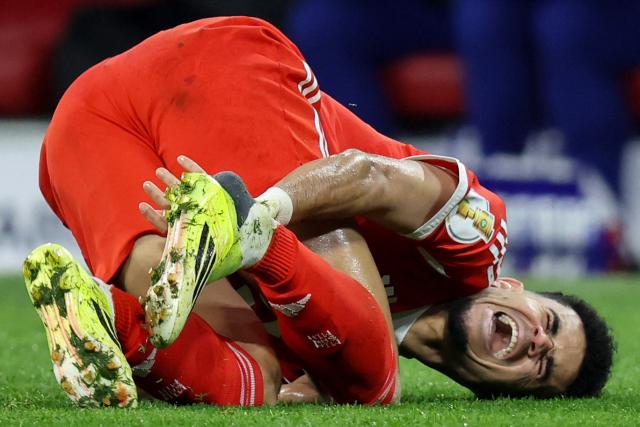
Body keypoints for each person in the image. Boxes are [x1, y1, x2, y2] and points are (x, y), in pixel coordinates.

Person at [33, 16, 613, 407]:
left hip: (80, 131)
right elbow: (368, 176)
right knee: (370, 383)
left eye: (542, 367)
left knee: (253, 376)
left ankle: (109, 319)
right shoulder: (476, 243)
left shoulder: (315, 355)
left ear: (500, 395)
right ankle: (246, 235)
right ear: (514, 287)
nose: (537, 341)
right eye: (551, 323)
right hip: (219, 69)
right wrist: (263, 214)